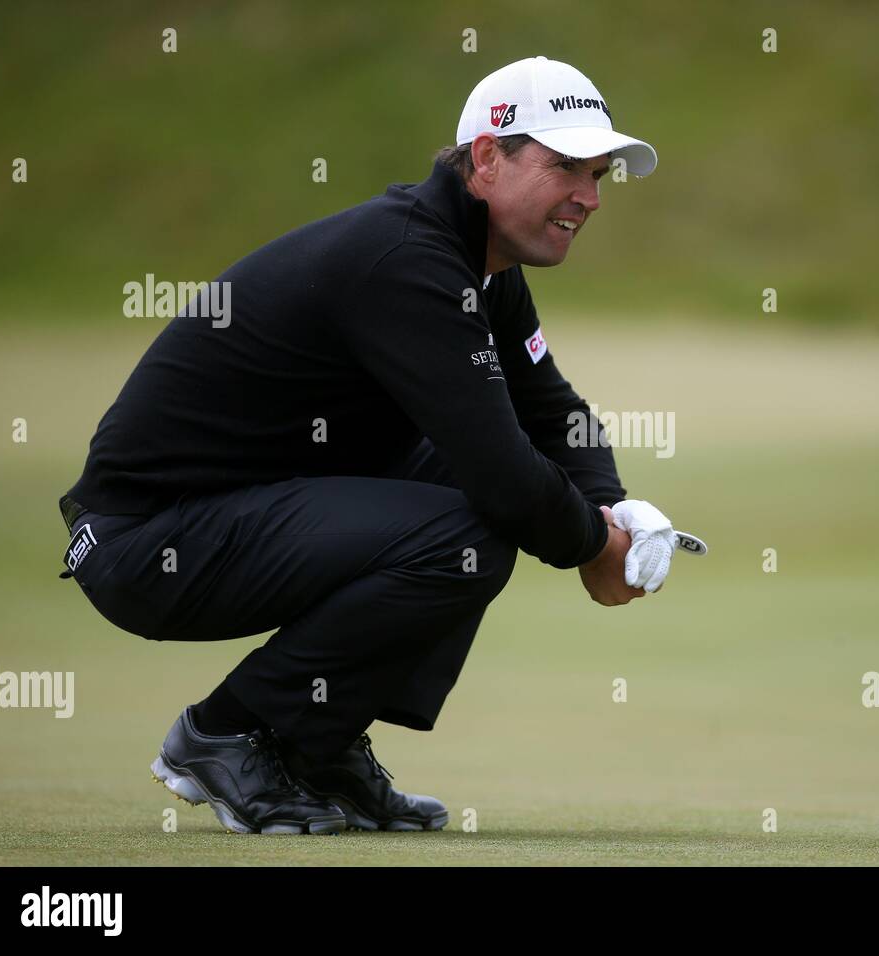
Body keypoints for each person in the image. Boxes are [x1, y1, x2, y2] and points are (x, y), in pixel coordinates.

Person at [56, 56, 682, 835]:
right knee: (476, 524)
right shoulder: (406, 263)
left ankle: (314, 745)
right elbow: (505, 478)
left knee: (485, 496)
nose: (589, 197)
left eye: (599, 175)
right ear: (487, 160)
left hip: (229, 513)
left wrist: (613, 506)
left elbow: (553, 414)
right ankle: (228, 733)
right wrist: (594, 544)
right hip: (147, 542)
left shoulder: (479, 265)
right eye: (566, 167)